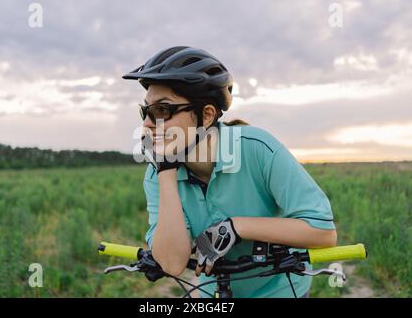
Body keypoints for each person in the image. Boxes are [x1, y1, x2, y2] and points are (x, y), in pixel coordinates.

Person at [122, 46, 337, 298]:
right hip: (213, 293)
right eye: (145, 111)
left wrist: (235, 227)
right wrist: (167, 171)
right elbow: (172, 263)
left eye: (162, 110)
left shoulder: (257, 149)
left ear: (206, 115)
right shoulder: (157, 174)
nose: (147, 123)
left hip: (281, 291)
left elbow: (322, 231)